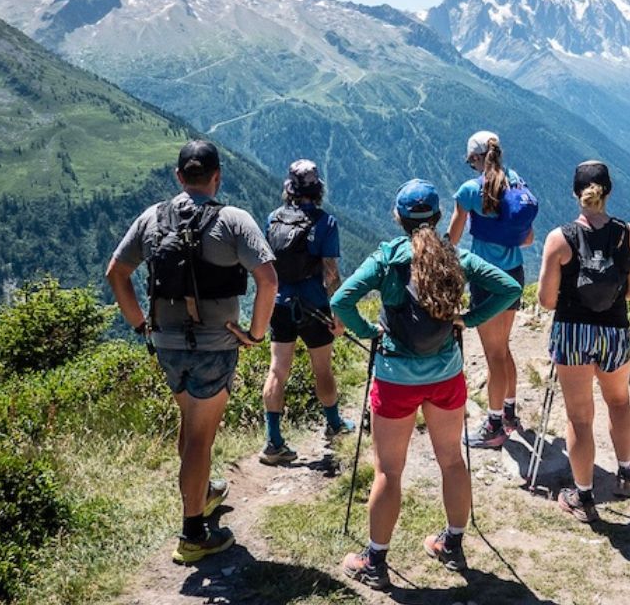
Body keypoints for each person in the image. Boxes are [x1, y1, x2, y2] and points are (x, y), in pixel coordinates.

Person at [333, 179, 521, 590]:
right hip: (446, 375)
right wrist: (467, 319)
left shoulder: (386, 258)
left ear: (399, 218)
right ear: (437, 218)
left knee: (388, 470)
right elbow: (509, 287)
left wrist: (370, 332)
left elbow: (340, 301)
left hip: (396, 376)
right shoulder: (455, 255)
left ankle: (375, 561)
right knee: (452, 460)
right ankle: (452, 544)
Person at [106, 140, 278, 563]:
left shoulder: (153, 217)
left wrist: (140, 324)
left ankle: (202, 493)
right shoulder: (233, 220)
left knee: (191, 421)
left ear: (179, 176)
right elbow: (268, 280)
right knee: (201, 436)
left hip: (165, 341)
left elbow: (117, 273)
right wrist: (255, 334)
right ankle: (193, 533)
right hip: (214, 345)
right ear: (217, 176)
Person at [536, 160, 630, 523]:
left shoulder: (560, 238)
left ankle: (583, 497)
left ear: (575, 193)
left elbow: (546, 300)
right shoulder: (629, 234)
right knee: (619, 401)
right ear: (609, 191)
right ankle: (627, 475)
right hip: (615, 330)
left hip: (571, 332)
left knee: (580, 418)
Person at [447, 130, 538, 448]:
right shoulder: (518, 182)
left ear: (475, 158)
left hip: (486, 277)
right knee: (503, 348)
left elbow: (453, 237)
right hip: (514, 273)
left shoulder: (470, 191)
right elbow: (527, 239)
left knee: (493, 354)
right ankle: (510, 412)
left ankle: (495, 425)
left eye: (470, 161)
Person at [259, 159, 353, 465]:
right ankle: (335, 425)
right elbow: (332, 275)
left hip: (281, 304)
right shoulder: (326, 223)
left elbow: (267, 266)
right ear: (318, 189)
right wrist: (338, 316)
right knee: (322, 369)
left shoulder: (273, 219)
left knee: (277, 370)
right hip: (313, 307)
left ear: (289, 189)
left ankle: (273, 442)